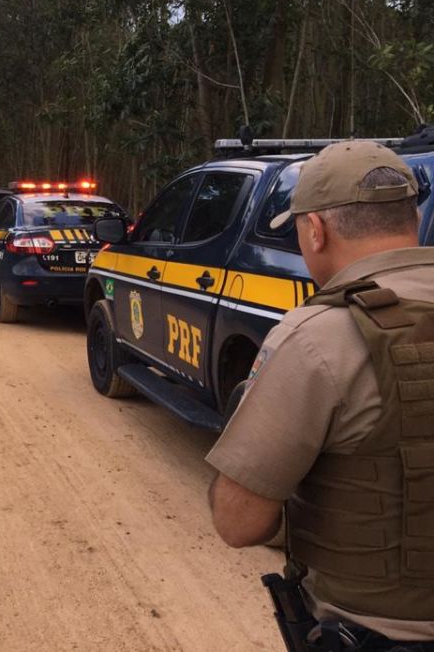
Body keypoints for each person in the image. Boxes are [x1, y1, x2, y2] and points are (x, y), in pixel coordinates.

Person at [207, 141, 434, 651]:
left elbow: (239, 522)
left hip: (377, 633)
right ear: (412, 218)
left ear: (316, 230)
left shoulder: (318, 337)